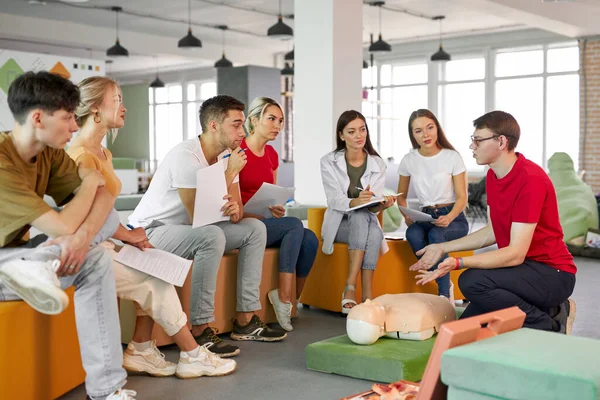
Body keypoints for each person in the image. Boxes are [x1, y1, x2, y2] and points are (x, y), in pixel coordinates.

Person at [67, 76, 236, 379]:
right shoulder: (80, 155)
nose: (124, 107)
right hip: (87, 250)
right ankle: (192, 352)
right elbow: (83, 216)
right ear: (95, 108)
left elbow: (102, 211)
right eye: (116, 99)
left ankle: (142, 349)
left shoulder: (102, 153)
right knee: (154, 281)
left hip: (105, 242)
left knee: (156, 267)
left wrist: (126, 238)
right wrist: (127, 236)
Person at [0, 71, 135, 399]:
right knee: (92, 242)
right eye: (68, 117)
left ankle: (106, 391)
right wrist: (89, 183)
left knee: (97, 255)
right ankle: (38, 263)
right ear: (37, 118)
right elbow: (61, 226)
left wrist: (82, 238)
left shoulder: (48, 153)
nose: (75, 127)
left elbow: (107, 199)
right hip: (6, 262)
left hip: (19, 257)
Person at [128, 94, 287, 346]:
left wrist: (236, 209)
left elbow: (235, 213)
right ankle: (201, 329)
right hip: (150, 231)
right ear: (213, 126)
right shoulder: (186, 157)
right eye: (236, 124)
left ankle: (246, 319)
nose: (242, 131)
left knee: (254, 229)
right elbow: (199, 217)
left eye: (242, 123)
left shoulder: (228, 154)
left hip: (185, 230)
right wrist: (231, 171)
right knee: (211, 236)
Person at [411, 111, 577, 334]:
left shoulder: (531, 180)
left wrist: (458, 262)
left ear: (501, 141)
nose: (472, 146)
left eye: (478, 140)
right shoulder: (492, 175)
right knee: (462, 330)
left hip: (552, 274)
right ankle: (547, 309)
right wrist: (442, 247)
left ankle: (551, 324)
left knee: (471, 281)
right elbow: (492, 232)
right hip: (521, 271)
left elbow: (516, 253)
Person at [239, 97, 318, 331]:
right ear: (254, 120)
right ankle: (283, 298)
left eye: (281, 121)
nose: (277, 125)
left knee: (310, 238)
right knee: (294, 224)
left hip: (265, 222)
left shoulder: (272, 155)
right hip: (242, 223)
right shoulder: (237, 150)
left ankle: (293, 300)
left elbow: (271, 193)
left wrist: (276, 207)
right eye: (271, 119)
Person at [320, 110, 396, 314]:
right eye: (351, 131)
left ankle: (353, 290)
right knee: (363, 219)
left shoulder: (377, 162)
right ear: (341, 135)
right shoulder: (328, 161)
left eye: (362, 130)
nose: (359, 135)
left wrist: (383, 205)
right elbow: (333, 199)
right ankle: (361, 290)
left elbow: (373, 205)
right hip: (339, 224)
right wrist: (355, 201)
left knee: (364, 219)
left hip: (365, 222)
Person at [397, 109, 468, 300]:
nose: (425, 134)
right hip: (425, 215)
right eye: (418, 130)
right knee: (412, 233)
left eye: (430, 127)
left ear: (437, 128)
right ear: (412, 134)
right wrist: (406, 215)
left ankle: (444, 295)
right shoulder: (409, 160)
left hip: (453, 217)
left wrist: (450, 217)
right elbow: (400, 196)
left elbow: (462, 197)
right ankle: (443, 279)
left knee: (436, 235)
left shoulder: (452, 156)